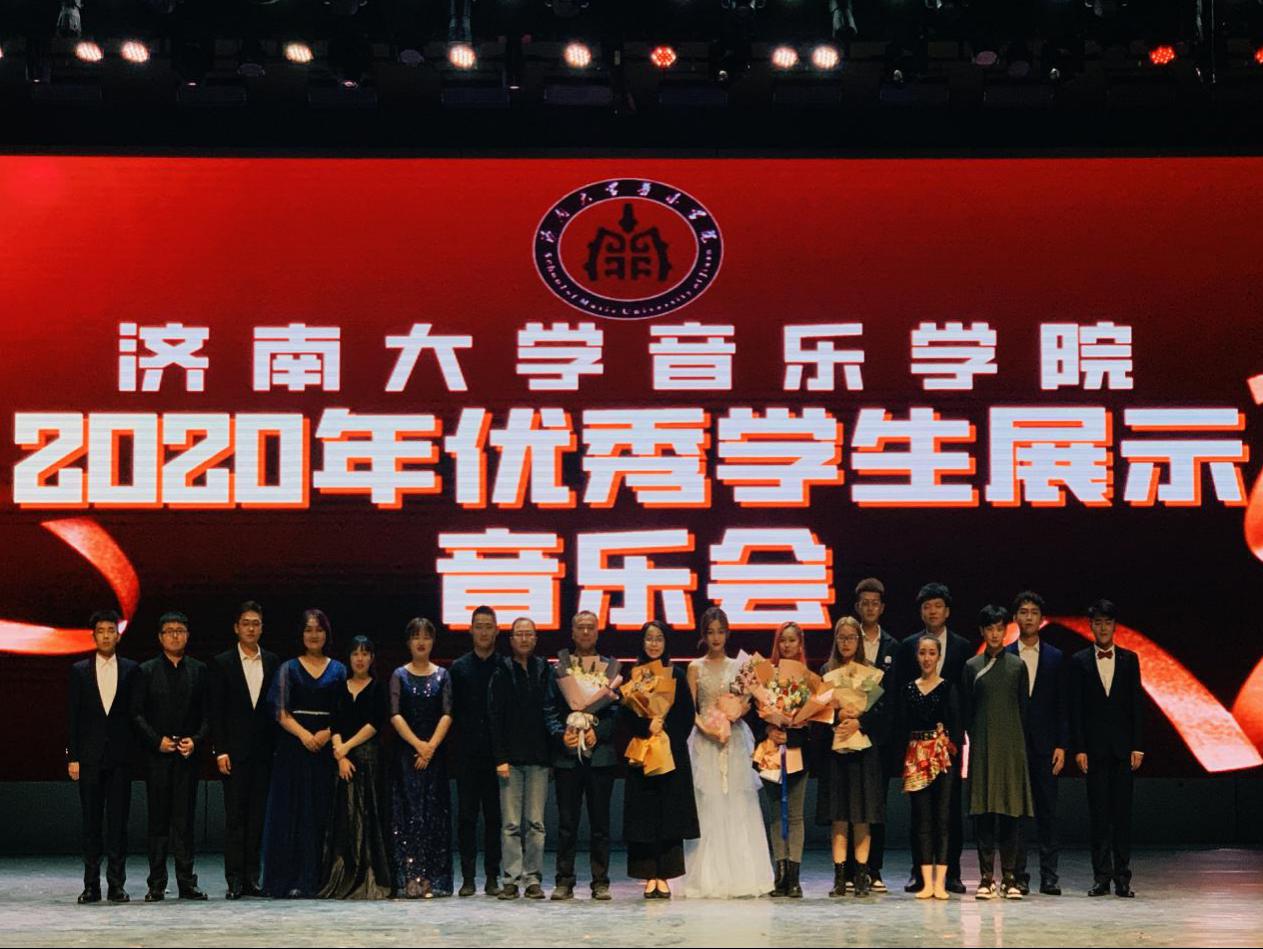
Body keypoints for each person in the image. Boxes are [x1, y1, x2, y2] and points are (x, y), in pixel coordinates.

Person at [682, 606, 774, 899]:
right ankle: (707, 877)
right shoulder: (695, 667)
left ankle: (742, 875)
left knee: (738, 803)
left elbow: (749, 703)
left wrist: (735, 713)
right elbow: (690, 709)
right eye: (710, 632)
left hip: (733, 741)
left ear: (728, 633)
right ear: (703, 635)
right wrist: (708, 729)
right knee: (708, 805)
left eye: (720, 632)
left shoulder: (739, 666)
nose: (716, 637)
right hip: (705, 741)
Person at [261, 608, 347, 898]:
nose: (314, 635)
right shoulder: (288, 668)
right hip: (293, 749)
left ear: (327, 634)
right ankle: (291, 879)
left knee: (322, 812)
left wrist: (325, 733)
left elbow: (345, 711)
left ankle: (320, 880)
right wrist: (304, 735)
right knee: (292, 813)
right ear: (300, 634)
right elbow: (280, 711)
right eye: (308, 629)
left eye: (319, 629)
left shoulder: (339, 670)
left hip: (327, 749)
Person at [896, 582, 971, 894]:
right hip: (917, 746)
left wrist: (955, 740)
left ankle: (951, 874)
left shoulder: (963, 646)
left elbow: (966, 696)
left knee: (949, 811)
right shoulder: (907, 645)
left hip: (948, 746)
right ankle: (920, 873)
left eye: (938, 605)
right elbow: (903, 693)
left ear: (947, 611)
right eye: (927, 606)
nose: (933, 611)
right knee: (921, 814)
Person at [130, 611, 210, 902]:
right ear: (160, 637)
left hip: (187, 756)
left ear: (187, 636)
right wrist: (157, 741)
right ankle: (156, 883)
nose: (175, 635)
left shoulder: (199, 670)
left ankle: (187, 882)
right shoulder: (146, 671)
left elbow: (208, 714)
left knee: (185, 822)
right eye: (169, 631)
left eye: (180, 630)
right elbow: (136, 714)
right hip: (158, 758)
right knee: (158, 822)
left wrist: (196, 741)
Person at [544, 610, 621, 901]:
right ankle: (564, 881)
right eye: (581, 627)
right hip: (567, 757)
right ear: (572, 632)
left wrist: (597, 731)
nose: (586, 632)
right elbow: (549, 709)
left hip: (600, 757)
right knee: (567, 823)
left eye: (591, 627)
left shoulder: (609, 668)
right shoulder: (560, 668)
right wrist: (560, 734)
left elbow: (616, 711)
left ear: (597, 632)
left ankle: (600, 881)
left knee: (600, 824)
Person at [1070, 599, 1145, 898]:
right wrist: (1079, 748)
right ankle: (1101, 877)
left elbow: (1137, 705)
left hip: (1123, 750)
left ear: (1115, 626)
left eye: (1108, 622)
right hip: (1094, 750)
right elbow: (1076, 709)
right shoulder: (1079, 661)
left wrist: (1138, 746)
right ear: (1091, 626)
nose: (1103, 628)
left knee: (1122, 816)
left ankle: (1123, 878)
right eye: (1098, 623)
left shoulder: (1130, 659)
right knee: (1099, 816)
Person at [619, 620, 699, 900]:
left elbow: (687, 716)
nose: (653, 643)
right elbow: (625, 716)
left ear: (666, 644)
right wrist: (646, 728)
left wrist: (663, 732)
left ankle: (664, 875)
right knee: (644, 815)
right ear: (642, 642)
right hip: (642, 754)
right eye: (649, 638)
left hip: (669, 755)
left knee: (668, 815)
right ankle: (648, 875)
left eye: (659, 639)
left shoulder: (676, 674)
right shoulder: (633, 676)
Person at [961, 604, 1034, 901]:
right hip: (982, 748)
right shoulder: (972, 667)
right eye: (989, 628)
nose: (994, 634)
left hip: (1012, 749)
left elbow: (1024, 710)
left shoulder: (1017, 666)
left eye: (999, 628)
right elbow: (967, 711)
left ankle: (1011, 878)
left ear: (1006, 630)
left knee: (1010, 813)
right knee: (984, 812)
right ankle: (986, 878)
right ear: (982, 631)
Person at [67, 609, 138, 904]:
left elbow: (135, 715)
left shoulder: (132, 669)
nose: (106, 636)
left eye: (111, 630)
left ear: (118, 636)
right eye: (101, 631)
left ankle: (116, 885)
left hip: (121, 758)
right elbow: (73, 717)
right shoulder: (79, 670)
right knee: (91, 824)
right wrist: (73, 756)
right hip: (90, 757)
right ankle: (91, 885)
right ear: (93, 636)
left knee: (118, 824)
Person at [210, 600, 279, 900]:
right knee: (236, 818)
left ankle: (253, 877)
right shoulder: (222, 662)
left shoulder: (273, 661)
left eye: (256, 624)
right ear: (236, 628)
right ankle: (235, 879)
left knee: (257, 818)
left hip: (264, 753)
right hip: (234, 754)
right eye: (246, 623)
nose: (251, 628)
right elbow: (216, 711)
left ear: (262, 628)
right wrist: (220, 750)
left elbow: (275, 710)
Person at [817, 615, 888, 898]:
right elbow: (818, 713)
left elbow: (881, 713)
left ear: (859, 641)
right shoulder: (826, 671)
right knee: (839, 816)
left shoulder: (870, 673)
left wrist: (860, 720)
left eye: (851, 637)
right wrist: (837, 715)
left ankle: (861, 876)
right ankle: (839, 878)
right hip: (836, 753)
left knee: (862, 816)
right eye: (841, 637)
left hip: (864, 753)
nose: (846, 643)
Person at [319, 635, 392, 900]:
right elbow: (335, 722)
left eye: (365, 653)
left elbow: (374, 724)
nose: (360, 659)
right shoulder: (339, 687)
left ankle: (370, 876)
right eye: (355, 654)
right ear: (349, 658)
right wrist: (340, 755)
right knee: (344, 821)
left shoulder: (378, 688)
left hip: (369, 760)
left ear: (372, 658)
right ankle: (343, 876)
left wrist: (346, 747)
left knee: (369, 819)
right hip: (343, 762)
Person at [488, 617, 552, 901]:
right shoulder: (501, 671)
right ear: (511, 639)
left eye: (529, 634)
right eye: (519, 634)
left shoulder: (545, 670)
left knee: (536, 823)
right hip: (510, 760)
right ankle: (511, 879)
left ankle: (533, 879)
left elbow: (551, 711)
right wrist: (499, 757)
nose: (524, 638)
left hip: (539, 758)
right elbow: (495, 716)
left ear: (536, 638)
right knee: (511, 824)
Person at [1007, 591, 1067, 896]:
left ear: (1041, 619)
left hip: (1046, 747)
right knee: (1017, 814)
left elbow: (1063, 705)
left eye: (1033, 612)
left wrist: (1062, 745)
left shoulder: (1056, 657)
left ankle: (1049, 876)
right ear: (1015, 618)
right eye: (1023, 611)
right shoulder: (1005, 654)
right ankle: (1018, 874)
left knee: (1047, 813)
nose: (1028, 617)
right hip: (1015, 747)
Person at [390, 617, 454, 898]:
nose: (421, 641)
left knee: (432, 816)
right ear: (408, 642)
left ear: (433, 642)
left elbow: (447, 714)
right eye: (416, 636)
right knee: (409, 815)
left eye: (426, 636)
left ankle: (429, 877)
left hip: (434, 756)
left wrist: (430, 748)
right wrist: (418, 745)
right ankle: (409, 876)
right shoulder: (399, 675)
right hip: (407, 755)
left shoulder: (443, 675)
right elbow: (395, 714)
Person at [756, 621, 819, 899]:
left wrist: (793, 730)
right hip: (771, 752)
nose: (787, 645)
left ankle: (794, 877)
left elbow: (817, 720)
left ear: (800, 643)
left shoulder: (809, 678)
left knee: (794, 815)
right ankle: (779, 875)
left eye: (792, 640)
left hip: (798, 752)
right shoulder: (766, 675)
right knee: (775, 815)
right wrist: (770, 729)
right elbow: (755, 715)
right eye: (783, 640)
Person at [895, 634, 960, 900]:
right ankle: (925, 882)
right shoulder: (909, 689)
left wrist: (946, 743)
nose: (927, 658)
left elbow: (956, 724)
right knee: (921, 819)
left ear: (939, 656)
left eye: (932, 653)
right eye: (922, 652)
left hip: (942, 757)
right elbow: (902, 725)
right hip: (916, 757)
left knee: (942, 818)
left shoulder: (948, 688)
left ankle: (940, 882)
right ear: (916, 656)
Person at [449, 605, 503, 897]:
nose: (483, 632)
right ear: (470, 630)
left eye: (488, 626)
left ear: (497, 631)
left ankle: (492, 877)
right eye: (478, 626)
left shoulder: (504, 666)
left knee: (495, 818)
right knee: (467, 818)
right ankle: (468, 878)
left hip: (497, 756)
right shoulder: (458, 668)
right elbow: (450, 712)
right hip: (466, 755)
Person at [852, 578, 899, 893]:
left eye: (875, 603)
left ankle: (875, 869)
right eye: (865, 603)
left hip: (879, 740)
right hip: (848, 736)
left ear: (882, 608)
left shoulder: (893, 646)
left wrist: (869, 723)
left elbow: (892, 696)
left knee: (876, 805)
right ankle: (851, 869)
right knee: (850, 805)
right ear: (858, 606)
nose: (870, 608)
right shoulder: (846, 639)